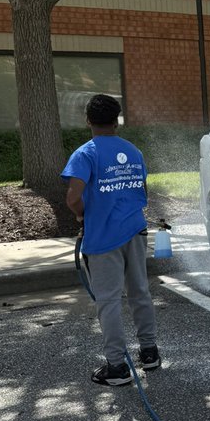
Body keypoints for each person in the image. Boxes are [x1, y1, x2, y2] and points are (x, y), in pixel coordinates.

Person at [62, 94, 161, 385]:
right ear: (116, 120)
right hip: (135, 230)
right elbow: (141, 191)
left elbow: (73, 197)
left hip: (104, 238)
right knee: (140, 292)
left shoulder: (85, 153)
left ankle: (117, 367)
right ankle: (150, 352)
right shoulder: (133, 151)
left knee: (108, 301)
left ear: (88, 120)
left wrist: (82, 217)